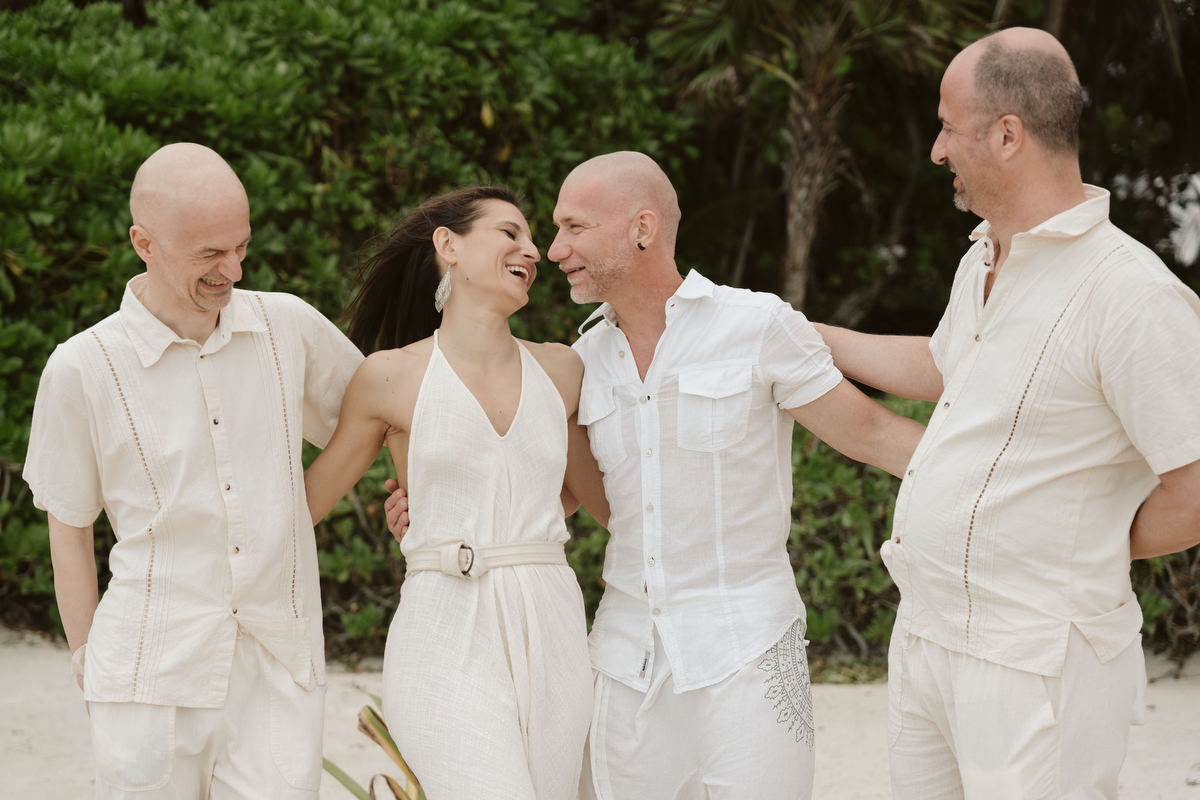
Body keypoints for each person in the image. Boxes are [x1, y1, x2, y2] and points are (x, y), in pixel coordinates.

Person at [815, 27, 1200, 799]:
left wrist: (1086, 543)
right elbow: (947, 364)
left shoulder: (1133, 296)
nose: (936, 151)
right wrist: (805, 337)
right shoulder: (985, 256)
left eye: (947, 127)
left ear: (1007, 135)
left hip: (1036, 660)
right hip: (927, 637)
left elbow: (1194, 491)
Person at [542, 151, 926, 800]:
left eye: (574, 228)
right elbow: (561, 496)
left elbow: (873, 434)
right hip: (624, 661)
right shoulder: (582, 361)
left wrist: (1012, 482)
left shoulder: (755, 326)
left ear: (642, 229)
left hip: (749, 654)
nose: (555, 250)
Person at [22, 143, 364, 797]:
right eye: (210, 253)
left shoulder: (287, 325)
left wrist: (297, 512)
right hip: (145, 676)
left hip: (279, 665)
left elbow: (378, 415)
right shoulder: (82, 367)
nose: (232, 269)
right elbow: (69, 527)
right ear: (143, 243)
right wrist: (89, 663)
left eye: (241, 246)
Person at [304, 186, 610, 799]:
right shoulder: (389, 376)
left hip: (551, 623)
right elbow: (302, 509)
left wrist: (502, 517)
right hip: (442, 624)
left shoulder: (563, 370)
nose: (533, 251)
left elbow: (601, 504)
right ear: (448, 244)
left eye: (532, 239)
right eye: (510, 233)